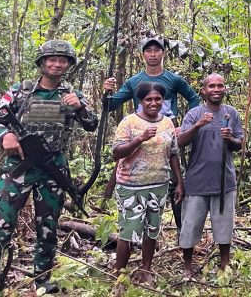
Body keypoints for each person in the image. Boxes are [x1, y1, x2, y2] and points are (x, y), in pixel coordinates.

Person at [0, 40, 98, 294]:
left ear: (69, 65)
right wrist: (5, 135)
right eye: (52, 59)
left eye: (63, 60)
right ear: (42, 62)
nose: (57, 64)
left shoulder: (71, 95)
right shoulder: (20, 91)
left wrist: (80, 107)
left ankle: (42, 280)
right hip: (19, 166)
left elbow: (92, 124)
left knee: (48, 228)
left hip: (52, 167)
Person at [103, 35, 199, 230]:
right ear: (143, 54)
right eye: (149, 51)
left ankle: (182, 232)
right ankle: (130, 226)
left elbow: (194, 98)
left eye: (157, 50)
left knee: (174, 177)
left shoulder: (173, 79)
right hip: (141, 134)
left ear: (163, 53)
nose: (153, 54)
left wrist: (186, 125)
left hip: (167, 132)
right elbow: (110, 105)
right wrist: (107, 92)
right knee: (132, 173)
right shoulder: (134, 81)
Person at [112, 82, 184, 285]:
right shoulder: (129, 122)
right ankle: (120, 274)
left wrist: (179, 182)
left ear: (163, 100)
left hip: (159, 184)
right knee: (129, 231)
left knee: (152, 229)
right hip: (131, 186)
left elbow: (173, 154)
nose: (153, 103)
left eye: (157, 99)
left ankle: (146, 270)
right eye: (148, 99)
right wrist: (140, 139)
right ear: (141, 101)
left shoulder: (167, 123)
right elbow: (117, 152)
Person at [178, 74, 243, 278]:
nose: (216, 89)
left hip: (224, 181)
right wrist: (198, 125)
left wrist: (230, 138)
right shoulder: (194, 114)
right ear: (203, 91)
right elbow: (180, 142)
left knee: (224, 226)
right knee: (190, 225)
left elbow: (240, 143)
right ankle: (187, 267)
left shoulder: (231, 113)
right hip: (197, 181)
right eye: (212, 86)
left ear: (224, 89)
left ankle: (224, 266)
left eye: (220, 86)